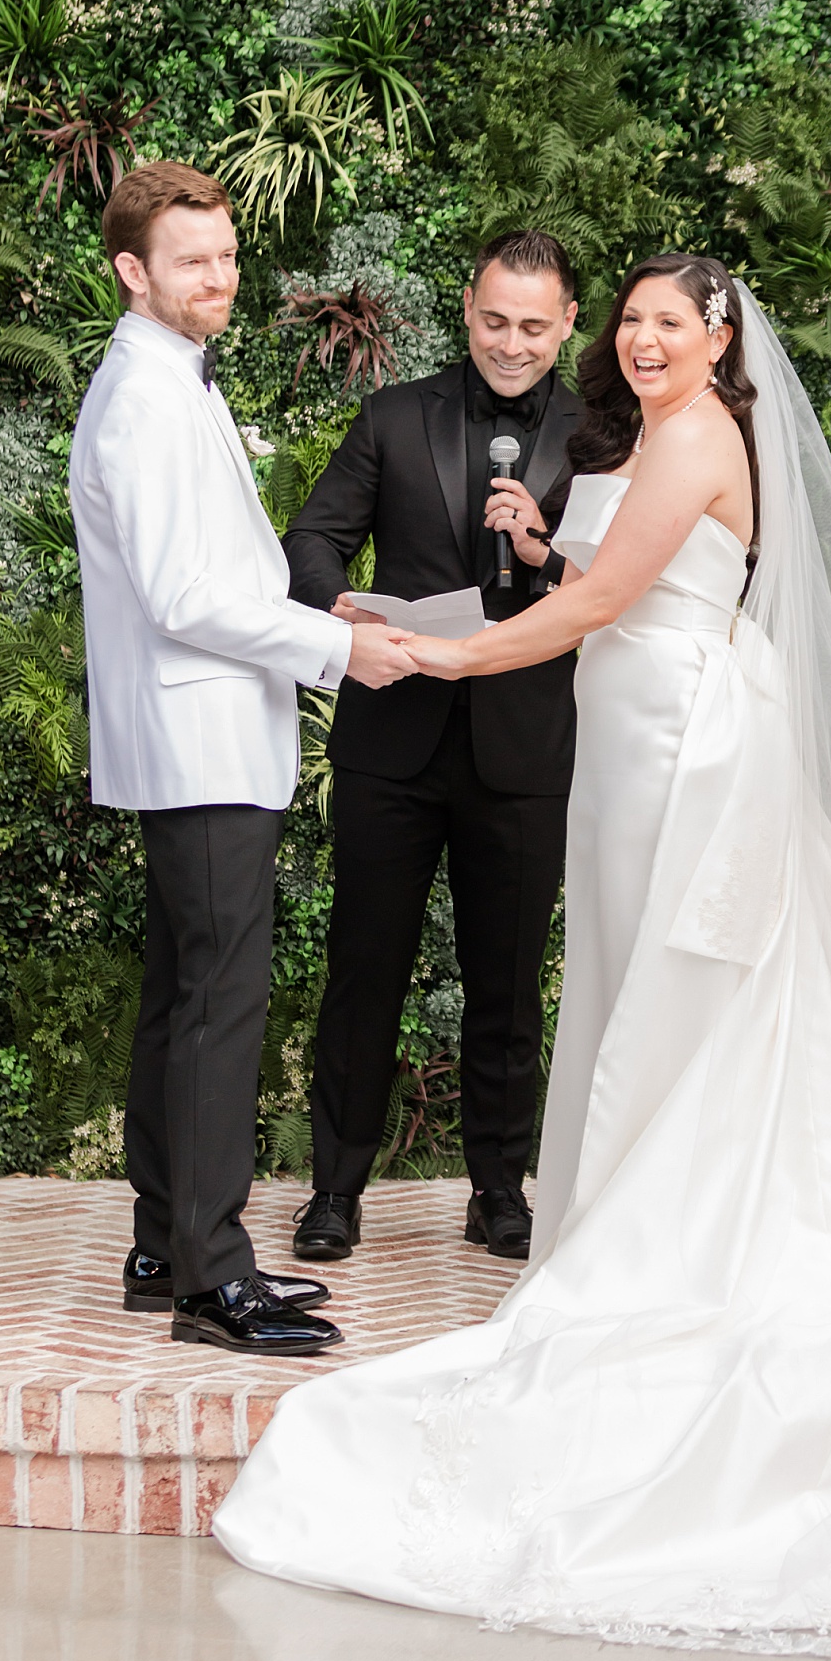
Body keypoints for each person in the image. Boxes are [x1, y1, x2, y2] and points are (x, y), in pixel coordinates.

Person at [213, 256, 831, 1653]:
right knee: (633, 970)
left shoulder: (696, 433)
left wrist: (439, 654)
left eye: (665, 322)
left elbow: (595, 613)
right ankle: (629, 1205)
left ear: (719, 337)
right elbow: (603, 579)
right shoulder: (641, 438)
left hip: (682, 741)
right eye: (629, 320)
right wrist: (537, 548)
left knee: (690, 982)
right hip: (627, 739)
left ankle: (686, 1230)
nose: (639, 340)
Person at [68, 161, 416, 1356]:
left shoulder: (166, 380)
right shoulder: (147, 399)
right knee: (218, 1006)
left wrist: (337, 611)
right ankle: (211, 1279)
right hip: (201, 737)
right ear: (132, 270)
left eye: (224, 254)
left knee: (182, 1000)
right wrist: (332, 648)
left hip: (196, 737)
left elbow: (218, 563)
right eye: (191, 260)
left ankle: (164, 1240)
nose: (219, 277)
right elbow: (178, 593)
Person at [282, 230, 582, 1266]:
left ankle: (499, 1189)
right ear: (466, 308)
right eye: (494, 320)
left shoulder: (601, 437)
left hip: (526, 746)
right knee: (363, 968)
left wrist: (549, 556)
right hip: (392, 740)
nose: (510, 343)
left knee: (505, 980)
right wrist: (337, 611)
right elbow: (314, 534)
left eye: (532, 326)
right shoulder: (392, 415)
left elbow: (624, 580)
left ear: (567, 324)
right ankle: (333, 1189)